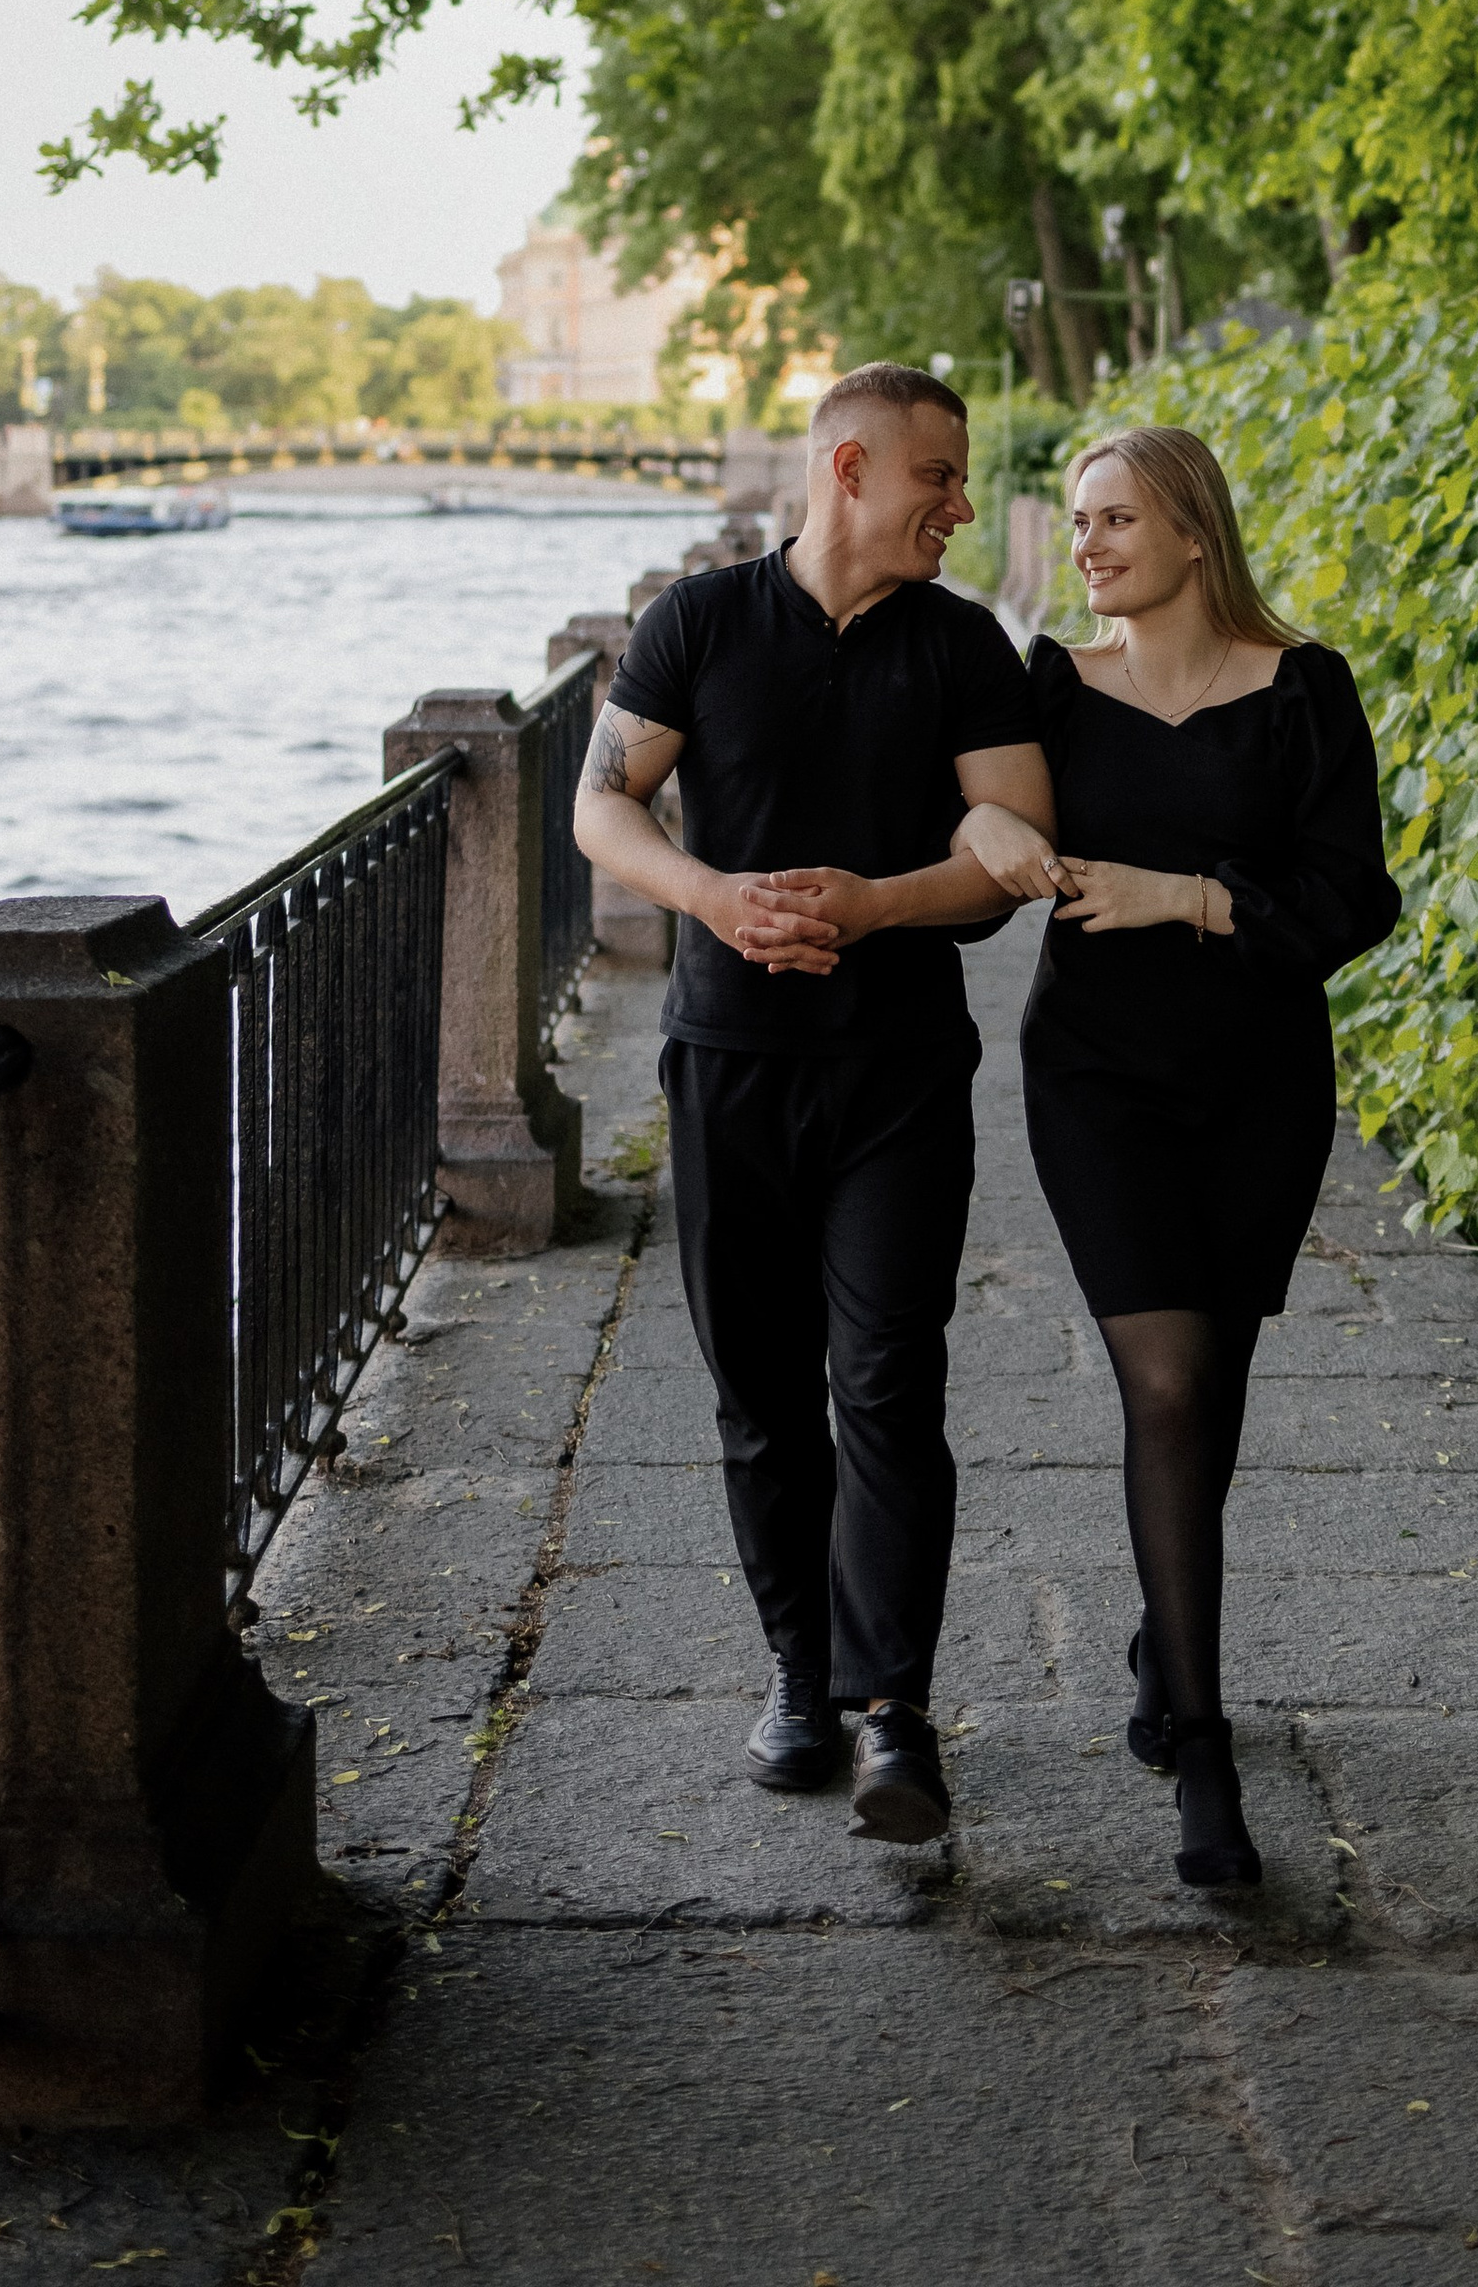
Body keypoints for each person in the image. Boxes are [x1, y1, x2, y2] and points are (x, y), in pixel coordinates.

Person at [572, 362, 1054, 1844]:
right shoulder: (697, 623)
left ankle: (896, 1707)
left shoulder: (967, 647)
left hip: (900, 1076)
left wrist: (877, 900)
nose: (960, 505)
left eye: (965, 481)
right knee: (763, 1401)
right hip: (726, 1069)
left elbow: (1017, 845)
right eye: (939, 477)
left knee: (891, 1385)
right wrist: (712, 897)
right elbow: (603, 801)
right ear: (848, 468)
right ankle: (799, 1674)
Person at [954, 425, 1398, 1889]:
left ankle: (1165, 1630)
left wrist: (1183, 896)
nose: (1087, 543)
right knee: (1165, 1377)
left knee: (1219, 1381)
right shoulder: (1052, 688)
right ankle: (1200, 1744)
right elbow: (974, 803)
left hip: (1262, 1080)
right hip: (1097, 1077)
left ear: (1195, 531)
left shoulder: (1304, 690)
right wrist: (979, 820)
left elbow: (1350, 900)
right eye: (1078, 521)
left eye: (1116, 518)